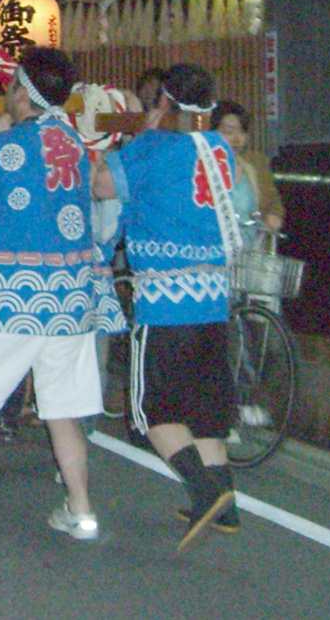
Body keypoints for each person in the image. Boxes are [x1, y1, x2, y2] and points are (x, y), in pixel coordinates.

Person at [0, 47, 125, 541]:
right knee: (62, 409)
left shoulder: (9, 147)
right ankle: (81, 509)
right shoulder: (75, 144)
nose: (7, 92)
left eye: (12, 83)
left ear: (23, 93)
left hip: (17, 296)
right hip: (74, 297)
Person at [95, 63, 241, 550]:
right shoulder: (220, 149)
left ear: (164, 101)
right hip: (214, 300)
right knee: (203, 410)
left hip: (166, 302)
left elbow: (101, 187)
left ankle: (203, 491)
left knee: (152, 412)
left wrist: (127, 142)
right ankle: (225, 504)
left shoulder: (152, 148)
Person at [211, 100, 285, 242]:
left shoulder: (257, 162)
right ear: (212, 134)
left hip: (252, 251)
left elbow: (273, 202)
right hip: (212, 249)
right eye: (229, 132)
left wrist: (274, 216)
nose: (237, 139)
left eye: (242, 131)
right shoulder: (202, 165)